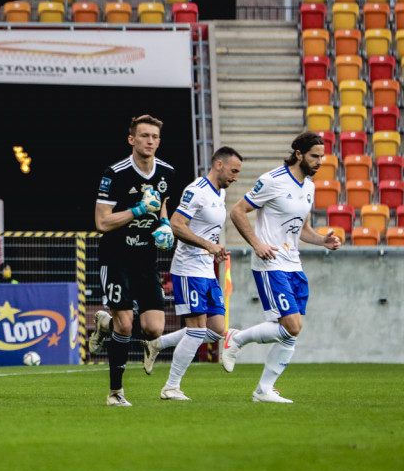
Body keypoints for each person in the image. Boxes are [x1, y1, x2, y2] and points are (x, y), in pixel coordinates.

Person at [222, 131, 341, 403]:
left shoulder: (309, 186)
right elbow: (237, 211)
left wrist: (323, 240)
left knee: (289, 332)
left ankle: (264, 390)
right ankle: (236, 339)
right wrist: (256, 243)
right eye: (315, 155)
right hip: (270, 263)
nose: (320, 161)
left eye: (322, 156)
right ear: (298, 154)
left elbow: (302, 230)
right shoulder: (272, 180)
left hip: (293, 264)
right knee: (293, 326)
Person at [140, 147, 243, 400]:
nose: (236, 177)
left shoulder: (219, 193)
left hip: (207, 269)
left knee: (217, 330)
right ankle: (171, 387)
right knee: (196, 331)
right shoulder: (196, 190)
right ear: (218, 164)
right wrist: (209, 245)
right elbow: (176, 224)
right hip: (188, 269)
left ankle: (158, 344)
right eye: (233, 171)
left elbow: (205, 230)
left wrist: (214, 248)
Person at [88, 115, 177, 406]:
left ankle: (106, 322)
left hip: (145, 259)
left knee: (154, 329)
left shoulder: (167, 172)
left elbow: (162, 205)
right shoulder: (114, 173)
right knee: (125, 325)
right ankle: (115, 392)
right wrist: (138, 210)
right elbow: (102, 223)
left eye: (154, 137)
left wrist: (164, 226)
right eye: (144, 136)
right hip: (116, 258)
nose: (150, 141)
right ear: (132, 140)